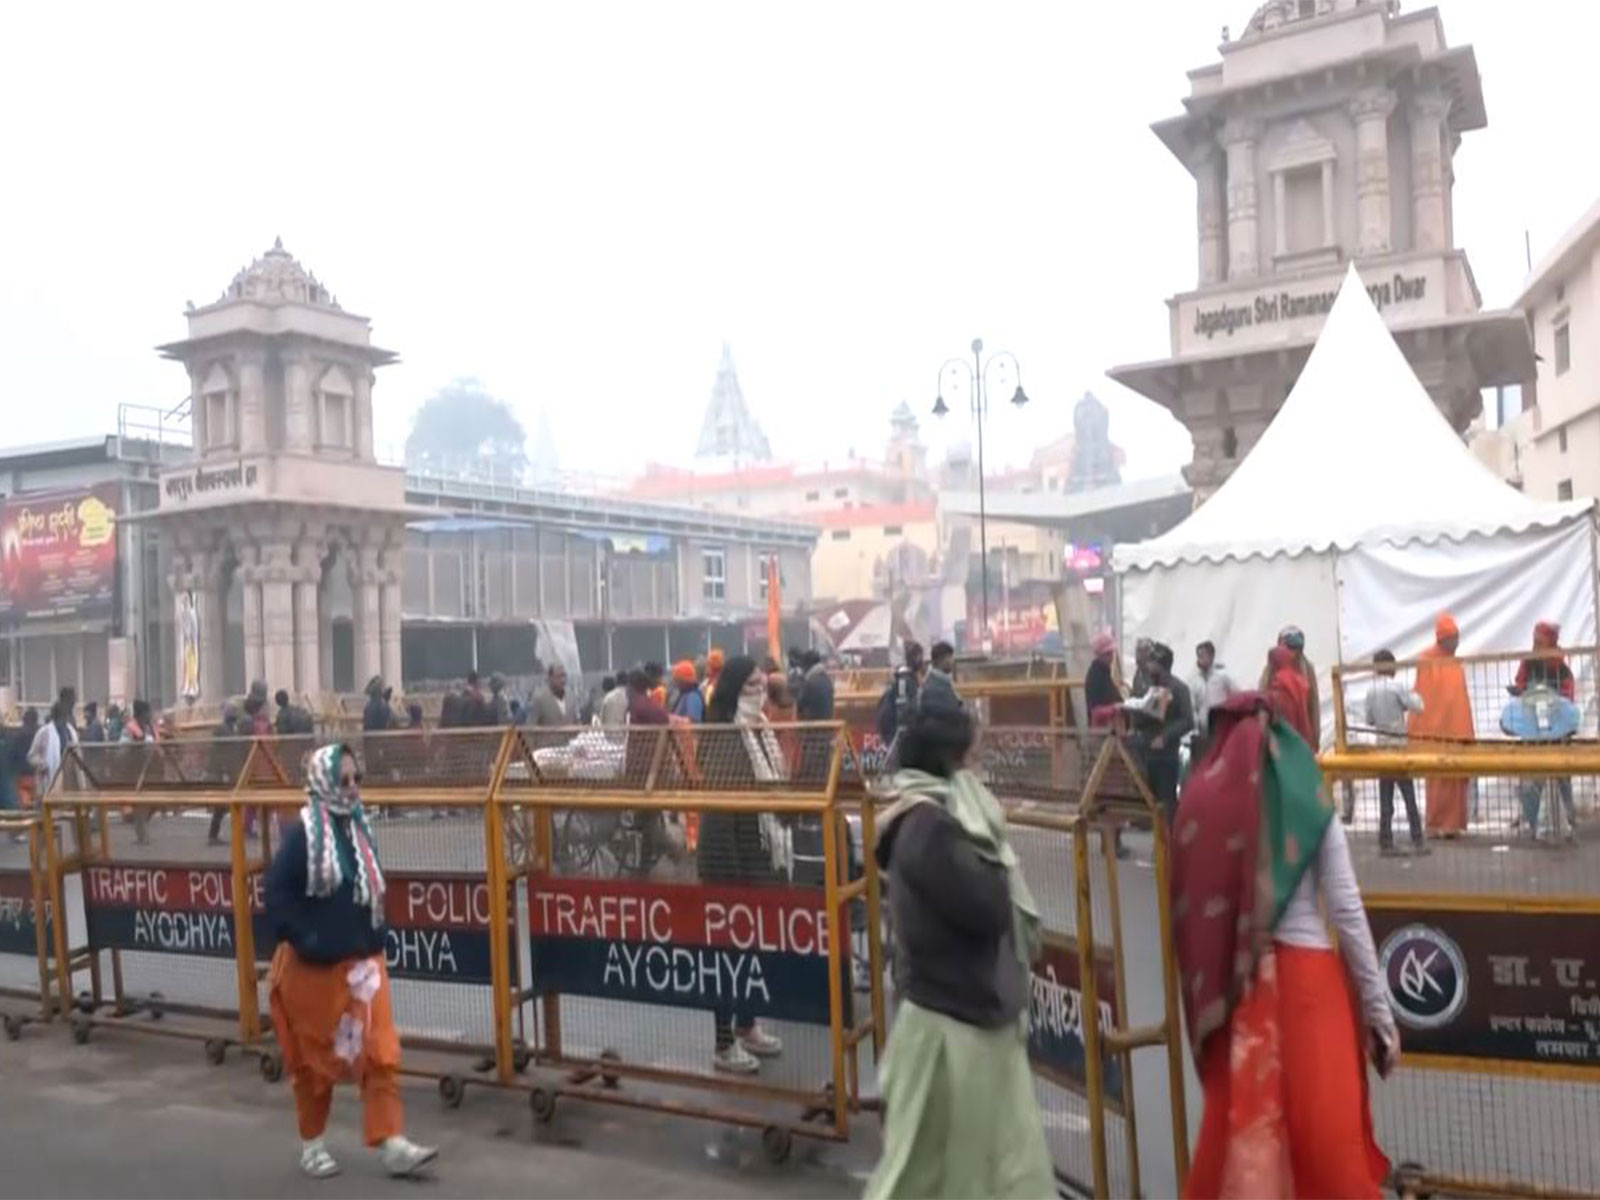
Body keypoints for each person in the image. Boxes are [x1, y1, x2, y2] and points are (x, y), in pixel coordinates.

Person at [1174, 694, 1397, 1198]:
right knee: (1325, 1148)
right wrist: (1379, 1013)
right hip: (1311, 991)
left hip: (1240, 994)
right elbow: (1344, 908)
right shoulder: (1309, 801)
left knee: (1240, 1152)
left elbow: (1190, 921)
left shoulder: (1203, 806)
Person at [865, 704, 1053, 1200]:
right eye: (975, 759)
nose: (980, 772)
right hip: (946, 1035)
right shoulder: (931, 828)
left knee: (1001, 1175)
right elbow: (988, 909)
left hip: (976, 1023)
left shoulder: (939, 819)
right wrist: (988, 836)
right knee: (921, 1176)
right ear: (951, 763)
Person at [264, 743, 437, 1179]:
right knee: (315, 1064)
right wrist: (309, 937)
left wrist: (376, 936)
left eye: (357, 778)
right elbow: (278, 897)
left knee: (380, 1051)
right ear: (323, 783)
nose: (354, 788)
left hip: (363, 969)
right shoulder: (303, 837)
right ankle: (312, 1145)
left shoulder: (360, 831)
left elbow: (373, 892)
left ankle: (391, 1140)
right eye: (344, 781)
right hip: (315, 974)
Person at [697, 657, 785, 1073]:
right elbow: (720, 815)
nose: (760, 693)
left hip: (758, 861)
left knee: (753, 952)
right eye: (752, 686)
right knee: (726, 957)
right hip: (727, 865)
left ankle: (748, 1025)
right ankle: (723, 1041)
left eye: (763, 685)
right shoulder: (721, 736)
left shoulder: (761, 732)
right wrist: (728, 879)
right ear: (733, 689)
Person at [1507, 621, 1577, 841]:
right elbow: (1521, 683)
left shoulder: (1561, 668)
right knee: (1530, 780)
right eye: (1534, 640)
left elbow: (1568, 698)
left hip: (1557, 732)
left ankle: (1569, 821)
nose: (1535, 645)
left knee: (1562, 778)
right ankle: (1534, 822)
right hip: (1532, 730)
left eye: (1539, 641)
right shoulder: (1528, 663)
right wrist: (1519, 691)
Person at [1409, 614, 1473, 837]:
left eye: (1457, 637)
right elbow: (1424, 696)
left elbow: (1459, 699)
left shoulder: (1454, 663)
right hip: (1436, 732)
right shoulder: (1427, 660)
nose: (1456, 642)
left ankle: (1453, 826)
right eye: (1452, 638)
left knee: (1456, 782)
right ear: (1442, 639)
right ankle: (1436, 825)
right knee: (1436, 782)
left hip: (1455, 731)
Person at [1363, 650, 1427, 856]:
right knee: (1409, 795)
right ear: (1390, 666)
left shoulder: (1370, 691)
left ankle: (1386, 840)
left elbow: (1369, 720)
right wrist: (1415, 695)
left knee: (1385, 796)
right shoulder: (1397, 687)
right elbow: (1418, 707)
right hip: (1398, 747)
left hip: (1381, 748)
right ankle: (1417, 838)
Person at [1137, 643, 1192, 818]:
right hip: (1144, 753)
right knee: (1149, 803)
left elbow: (1188, 720)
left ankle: (1168, 842)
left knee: (1166, 804)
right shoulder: (1144, 686)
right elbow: (1137, 715)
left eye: (1153, 662)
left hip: (1166, 756)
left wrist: (1166, 737)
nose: (1149, 666)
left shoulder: (1179, 689)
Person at [1258, 627, 1320, 750]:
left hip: (1301, 736)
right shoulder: (1271, 670)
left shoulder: (1307, 669)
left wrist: (1315, 738)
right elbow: (1263, 700)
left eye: (1297, 648)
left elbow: (1313, 705)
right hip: (1278, 736)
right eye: (1290, 648)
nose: (1294, 653)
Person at [875, 640, 925, 759]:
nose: (921, 661)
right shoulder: (905, 680)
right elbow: (904, 709)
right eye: (919, 657)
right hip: (899, 734)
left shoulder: (902, 679)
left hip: (894, 732)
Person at [1265, 645, 1316, 747]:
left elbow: (1278, 719)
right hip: (1303, 738)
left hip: (1286, 741)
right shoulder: (1299, 681)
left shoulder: (1278, 685)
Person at [206, 705, 243, 846]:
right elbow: (221, 752)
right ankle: (213, 835)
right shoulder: (222, 730)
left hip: (228, 770)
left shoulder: (231, 729)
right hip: (223, 771)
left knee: (223, 806)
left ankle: (214, 835)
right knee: (221, 806)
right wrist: (223, 771)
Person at [27, 700, 77, 800]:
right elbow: (31, 756)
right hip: (49, 777)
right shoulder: (44, 732)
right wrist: (43, 764)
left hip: (68, 779)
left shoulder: (71, 731)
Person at [1187, 641, 1236, 742]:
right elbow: (1192, 706)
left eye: (1203, 655)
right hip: (1203, 730)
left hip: (1222, 726)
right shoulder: (1195, 681)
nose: (1200, 659)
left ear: (1211, 656)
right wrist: (1197, 722)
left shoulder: (1223, 676)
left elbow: (1236, 695)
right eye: (1198, 656)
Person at [1085, 632, 1123, 727]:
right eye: (1108, 654)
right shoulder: (1096, 676)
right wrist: (1116, 708)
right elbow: (1095, 711)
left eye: (1111, 654)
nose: (1111, 657)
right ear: (1100, 655)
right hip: (1102, 731)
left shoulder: (1104, 673)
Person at [920, 641, 961, 712]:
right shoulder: (934, 686)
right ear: (941, 660)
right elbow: (948, 711)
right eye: (950, 657)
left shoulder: (943, 681)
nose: (952, 660)